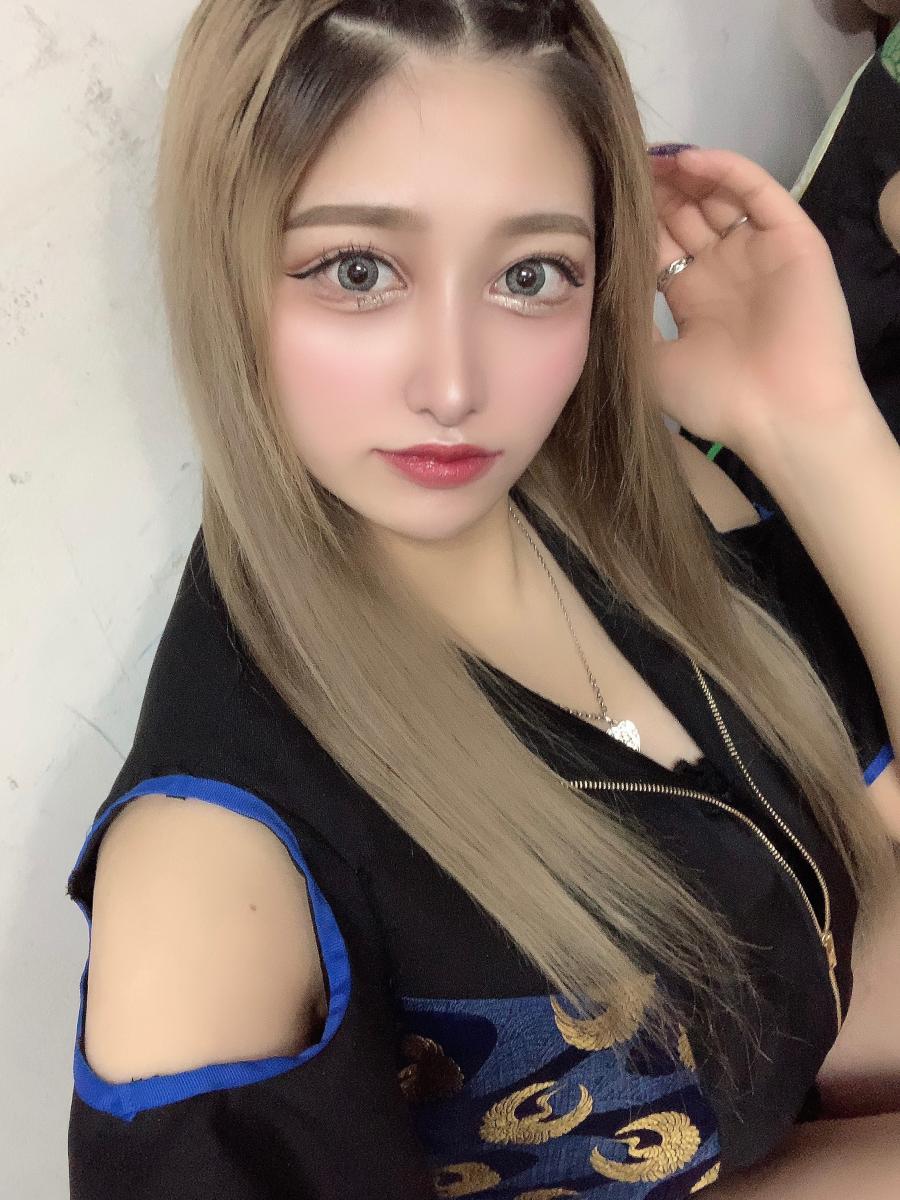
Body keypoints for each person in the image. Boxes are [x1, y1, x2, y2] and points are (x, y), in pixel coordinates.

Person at [65, 2, 900, 1197]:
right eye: (358, 271)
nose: (455, 387)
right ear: (225, 269)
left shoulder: (640, 507)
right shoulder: (212, 865)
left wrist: (816, 427)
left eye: (529, 275)